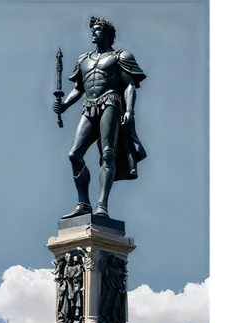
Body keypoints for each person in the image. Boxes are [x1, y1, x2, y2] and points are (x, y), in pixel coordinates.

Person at [53, 16, 148, 219]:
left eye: (97, 30)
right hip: (89, 107)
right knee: (74, 154)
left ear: (108, 34)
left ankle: (102, 204)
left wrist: (130, 111)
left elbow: (130, 84)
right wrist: (65, 106)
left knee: (108, 154)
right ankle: (83, 202)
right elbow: (79, 88)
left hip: (111, 103)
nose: (93, 33)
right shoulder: (83, 59)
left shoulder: (120, 56)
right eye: (92, 30)